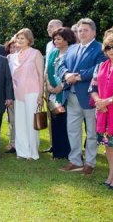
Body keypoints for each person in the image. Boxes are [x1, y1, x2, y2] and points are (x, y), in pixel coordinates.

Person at [58, 18, 106, 175]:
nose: (82, 33)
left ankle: (90, 162)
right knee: (73, 130)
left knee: (92, 132)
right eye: (79, 30)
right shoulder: (72, 49)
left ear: (93, 32)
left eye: (85, 30)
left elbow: (98, 68)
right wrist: (66, 74)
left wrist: (78, 76)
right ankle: (75, 160)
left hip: (91, 97)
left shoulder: (100, 49)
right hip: (72, 96)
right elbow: (61, 65)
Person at [89, 33, 113, 189]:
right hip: (102, 111)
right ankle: (111, 173)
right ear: (104, 50)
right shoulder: (100, 66)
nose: (112, 50)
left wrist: (107, 101)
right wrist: (99, 101)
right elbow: (92, 87)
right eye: (108, 47)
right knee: (108, 144)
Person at [9, 29, 44, 161]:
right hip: (18, 93)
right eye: (18, 38)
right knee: (20, 123)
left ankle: (33, 152)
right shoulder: (15, 56)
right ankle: (22, 151)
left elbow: (41, 75)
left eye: (22, 38)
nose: (19, 41)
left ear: (29, 40)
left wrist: (41, 94)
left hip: (32, 92)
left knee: (31, 123)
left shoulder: (36, 54)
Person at [45, 27, 74, 160]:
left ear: (67, 39)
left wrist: (61, 86)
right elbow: (47, 70)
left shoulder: (72, 52)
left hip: (67, 94)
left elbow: (73, 72)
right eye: (54, 39)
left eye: (58, 39)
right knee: (55, 122)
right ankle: (57, 152)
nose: (55, 41)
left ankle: (67, 152)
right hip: (52, 94)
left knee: (66, 123)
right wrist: (49, 85)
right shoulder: (53, 53)